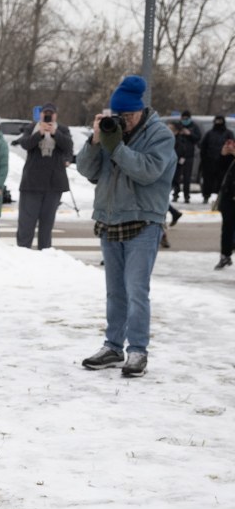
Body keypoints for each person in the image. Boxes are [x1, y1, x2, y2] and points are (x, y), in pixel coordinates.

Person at [75, 74, 176, 378]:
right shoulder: (111, 130)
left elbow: (148, 171)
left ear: (141, 110)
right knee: (114, 292)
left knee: (135, 291)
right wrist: (96, 141)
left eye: (130, 115)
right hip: (110, 218)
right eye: (120, 115)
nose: (125, 121)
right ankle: (113, 346)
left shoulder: (161, 135)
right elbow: (85, 169)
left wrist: (116, 148)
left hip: (144, 220)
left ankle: (137, 351)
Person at [13, 103, 73, 249]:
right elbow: (25, 144)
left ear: (55, 115)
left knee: (47, 225)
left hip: (53, 184)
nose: (48, 116)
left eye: (51, 114)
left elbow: (68, 146)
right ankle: (22, 253)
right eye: (45, 113)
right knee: (26, 224)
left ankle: (45, 255)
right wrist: (39, 133)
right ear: (40, 114)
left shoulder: (63, 130)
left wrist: (55, 133)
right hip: (32, 184)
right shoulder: (31, 128)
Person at [199, 115, 233, 204]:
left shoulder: (228, 133)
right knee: (208, 181)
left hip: (224, 162)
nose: (218, 123)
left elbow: (231, 145)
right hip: (210, 161)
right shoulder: (209, 133)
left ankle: (221, 197)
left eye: (220, 121)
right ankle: (206, 196)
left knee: (222, 181)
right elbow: (203, 146)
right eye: (217, 121)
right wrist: (204, 159)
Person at [171, 109, 201, 203]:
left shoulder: (194, 127)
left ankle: (186, 196)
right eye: (183, 118)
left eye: (186, 118)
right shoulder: (178, 126)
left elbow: (198, 138)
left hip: (189, 156)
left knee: (187, 178)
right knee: (176, 177)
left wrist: (189, 134)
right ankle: (175, 194)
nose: (184, 120)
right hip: (178, 155)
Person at [215, 136, 235, 270]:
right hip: (229, 195)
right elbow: (220, 170)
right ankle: (225, 255)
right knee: (227, 227)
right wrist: (223, 154)